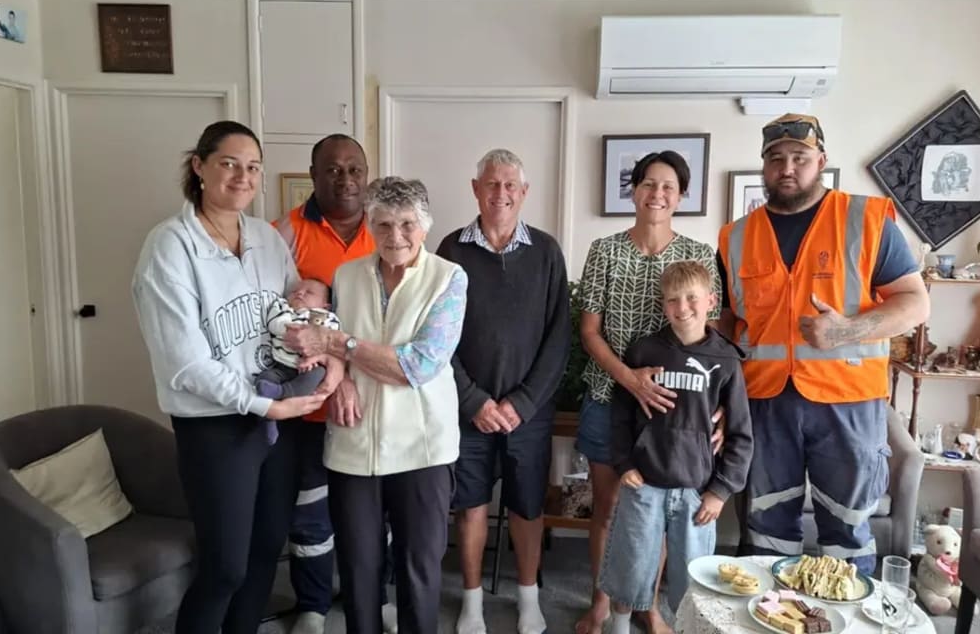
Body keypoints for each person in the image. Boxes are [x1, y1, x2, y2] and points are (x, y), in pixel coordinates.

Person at [132, 120, 337, 634]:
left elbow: (301, 313)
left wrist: (332, 357)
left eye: (252, 167)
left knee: (266, 550)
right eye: (229, 163)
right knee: (225, 566)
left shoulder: (267, 238)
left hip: (278, 420)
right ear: (199, 167)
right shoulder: (169, 246)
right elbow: (183, 361)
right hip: (218, 426)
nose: (242, 177)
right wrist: (265, 405)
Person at [717, 113, 930, 574]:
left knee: (847, 534)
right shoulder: (735, 238)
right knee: (765, 533)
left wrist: (845, 331)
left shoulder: (868, 220)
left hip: (848, 405)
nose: (787, 168)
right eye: (776, 159)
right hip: (765, 405)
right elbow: (728, 322)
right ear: (763, 166)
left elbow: (915, 304)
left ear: (822, 161)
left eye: (800, 157)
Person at [286, 176, 467, 634]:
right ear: (370, 226)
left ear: (424, 227)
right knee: (358, 567)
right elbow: (326, 341)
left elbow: (418, 365)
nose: (396, 237)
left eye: (408, 224)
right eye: (383, 225)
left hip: (422, 448)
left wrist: (339, 344)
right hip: (353, 441)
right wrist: (341, 377)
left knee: (418, 570)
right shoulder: (347, 276)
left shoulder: (449, 278)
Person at [575, 150, 724, 634]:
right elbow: (590, 331)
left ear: (681, 196)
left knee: (661, 509)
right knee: (610, 504)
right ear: (633, 191)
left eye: (668, 186)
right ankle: (602, 601)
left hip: (675, 409)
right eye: (647, 184)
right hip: (610, 397)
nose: (656, 194)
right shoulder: (604, 250)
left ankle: (646, 604)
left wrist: (717, 405)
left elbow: (713, 340)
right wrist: (628, 377)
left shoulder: (700, 256)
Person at [436, 149, 570, 634]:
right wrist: (474, 401)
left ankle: (528, 599)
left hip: (527, 414)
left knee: (527, 506)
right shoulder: (450, 251)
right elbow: (437, 337)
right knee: (469, 505)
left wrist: (523, 402)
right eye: (492, 184)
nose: (501, 193)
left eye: (510, 184)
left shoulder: (547, 252)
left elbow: (560, 337)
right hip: (467, 411)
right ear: (475, 189)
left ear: (524, 192)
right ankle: (471, 602)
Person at [273, 133, 397, 634]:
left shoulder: (388, 231)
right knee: (309, 510)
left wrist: (350, 372)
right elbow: (271, 316)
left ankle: (376, 595)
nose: (345, 179)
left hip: (371, 399)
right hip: (306, 402)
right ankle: (312, 605)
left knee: (376, 509)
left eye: (354, 169)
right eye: (332, 169)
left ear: (366, 176)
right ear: (313, 173)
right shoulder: (284, 233)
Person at [600, 261, 753, 634]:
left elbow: (740, 434)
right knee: (631, 567)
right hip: (644, 482)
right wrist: (624, 465)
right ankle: (619, 626)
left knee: (693, 580)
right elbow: (620, 417)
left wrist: (720, 491)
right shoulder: (643, 352)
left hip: (697, 494)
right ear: (662, 305)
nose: (682, 308)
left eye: (691, 298)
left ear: (711, 301)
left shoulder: (726, 360)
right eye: (672, 300)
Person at [255, 278, 340, 401]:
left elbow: (331, 336)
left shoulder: (327, 317)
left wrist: (315, 335)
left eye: (309, 292)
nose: (299, 293)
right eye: (294, 291)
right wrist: (292, 330)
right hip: (280, 364)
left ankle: (283, 392)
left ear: (325, 306)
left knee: (317, 375)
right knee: (265, 378)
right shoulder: (283, 307)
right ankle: (267, 411)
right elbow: (273, 324)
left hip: (310, 366)